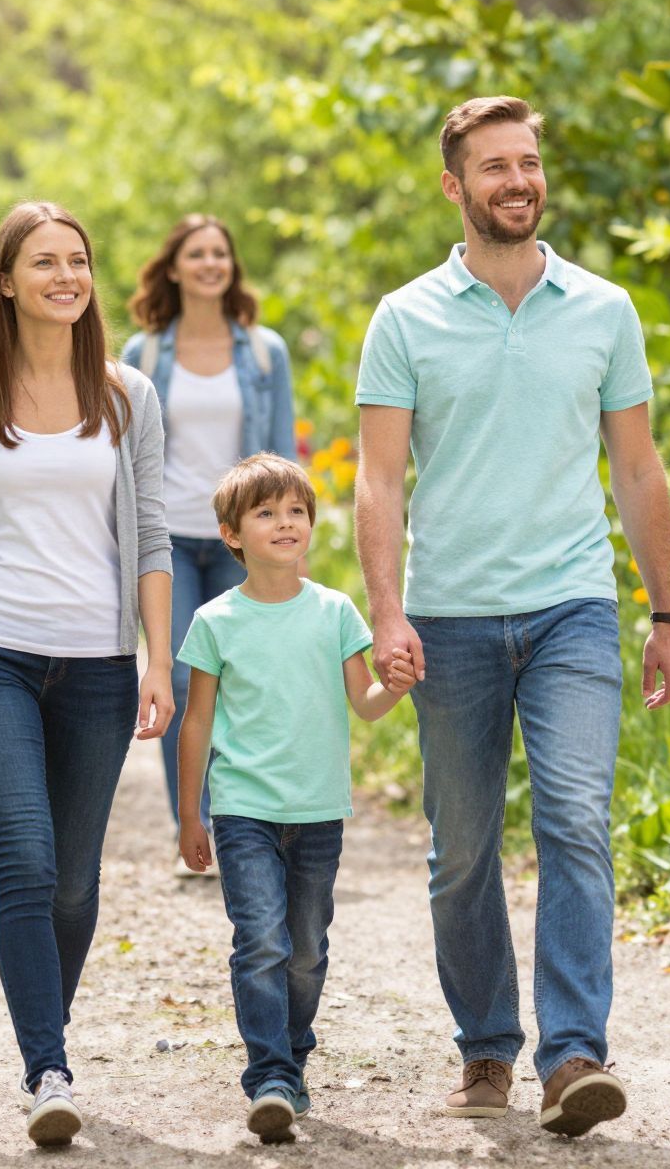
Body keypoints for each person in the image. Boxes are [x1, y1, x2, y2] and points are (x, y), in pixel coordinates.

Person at [353, 96, 670, 1138]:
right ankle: (486, 1046)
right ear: (454, 186)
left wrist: (667, 612)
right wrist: (386, 613)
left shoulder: (603, 309)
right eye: (494, 166)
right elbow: (378, 480)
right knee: (461, 848)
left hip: (571, 608)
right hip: (449, 615)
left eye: (529, 162)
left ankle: (574, 1054)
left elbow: (637, 469)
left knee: (575, 817)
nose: (517, 181)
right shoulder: (404, 317)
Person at [0, 201, 176, 1148]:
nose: (67, 277)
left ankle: (43, 1030)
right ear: (7, 283)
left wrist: (157, 659)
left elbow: (150, 537)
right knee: (23, 856)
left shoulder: (129, 397)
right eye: (45, 262)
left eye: (78, 261)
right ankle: (47, 1068)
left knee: (73, 881)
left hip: (98, 666)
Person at [175, 452, 414, 1143]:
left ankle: (293, 1053)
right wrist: (190, 814)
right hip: (242, 808)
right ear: (231, 534)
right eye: (266, 513)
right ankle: (270, 1076)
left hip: (317, 811)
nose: (286, 523)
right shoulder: (215, 621)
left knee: (305, 948)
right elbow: (197, 723)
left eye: (296, 511)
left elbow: (365, 703)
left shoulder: (335, 611)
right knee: (260, 941)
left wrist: (397, 685)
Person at [121, 214, 296, 859]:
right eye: (196, 254)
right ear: (173, 267)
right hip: (165, 542)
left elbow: (281, 455)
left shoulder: (264, 352)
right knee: (181, 681)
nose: (209, 263)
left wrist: (287, 545)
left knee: (244, 683)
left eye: (220, 253)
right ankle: (192, 822)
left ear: (232, 266)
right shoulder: (141, 356)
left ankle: (241, 822)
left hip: (239, 543)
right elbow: (120, 459)